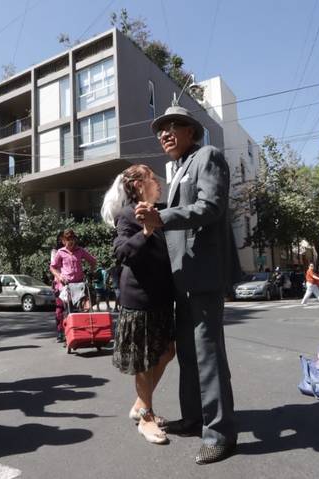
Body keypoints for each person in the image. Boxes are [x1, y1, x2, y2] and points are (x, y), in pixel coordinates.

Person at [136, 105, 238, 464]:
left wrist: (161, 216)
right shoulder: (178, 168)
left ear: (191, 131)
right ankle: (196, 418)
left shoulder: (207, 156)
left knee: (208, 356)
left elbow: (211, 207)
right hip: (182, 277)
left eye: (173, 126)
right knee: (190, 356)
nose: (165, 133)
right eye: (161, 129)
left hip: (204, 273)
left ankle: (220, 433)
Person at [101, 164, 176, 445]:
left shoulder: (156, 212)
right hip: (140, 300)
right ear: (136, 185)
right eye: (151, 178)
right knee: (145, 362)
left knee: (168, 351)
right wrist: (145, 230)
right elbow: (122, 252)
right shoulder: (128, 215)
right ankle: (146, 417)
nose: (157, 182)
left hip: (161, 298)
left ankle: (138, 404)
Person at [50, 229, 97, 313]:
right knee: (69, 310)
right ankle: (68, 324)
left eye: (72, 239)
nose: (71, 242)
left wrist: (91, 273)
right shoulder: (60, 252)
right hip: (66, 285)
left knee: (85, 309)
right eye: (68, 240)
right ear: (64, 241)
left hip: (80, 285)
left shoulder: (80, 250)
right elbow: (52, 267)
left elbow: (93, 261)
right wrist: (59, 276)